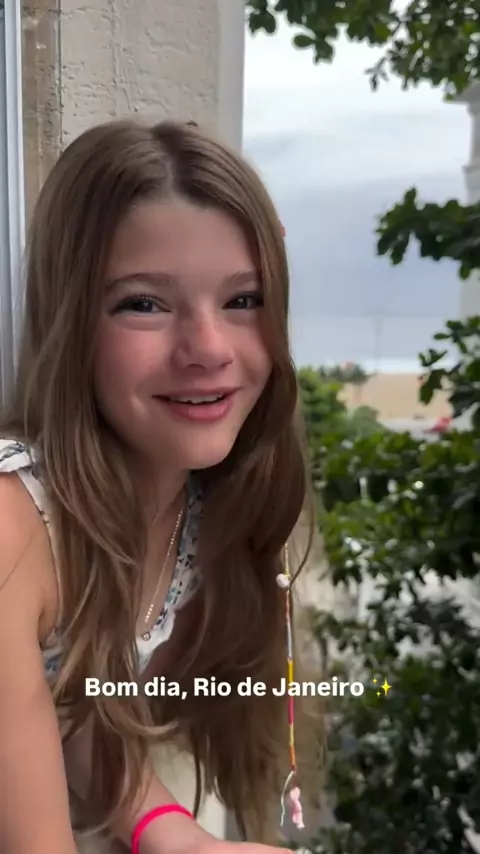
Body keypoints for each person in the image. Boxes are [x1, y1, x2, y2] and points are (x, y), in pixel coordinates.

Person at [0, 118, 315, 854]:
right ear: (71, 323)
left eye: (243, 300)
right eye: (144, 303)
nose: (207, 348)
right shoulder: (13, 529)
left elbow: (65, 704)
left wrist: (176, 836)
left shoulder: (196, 507)